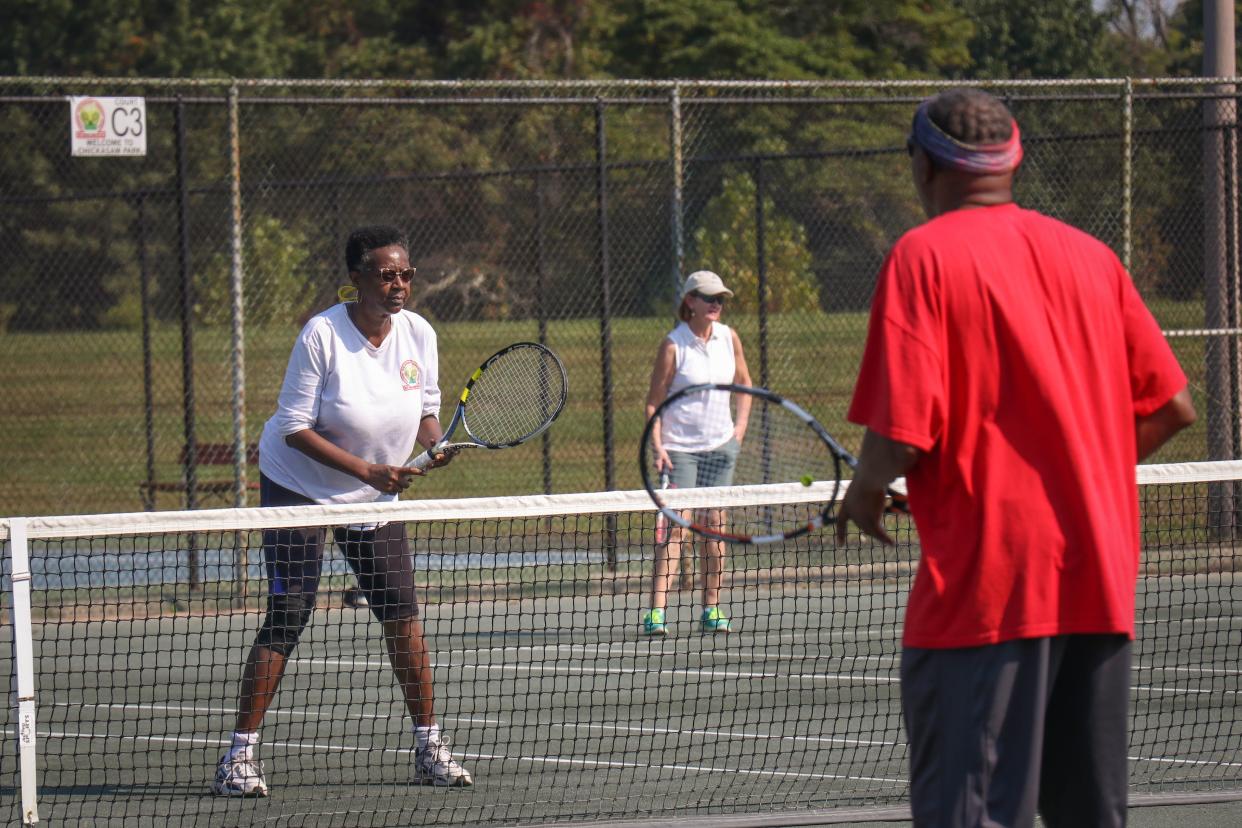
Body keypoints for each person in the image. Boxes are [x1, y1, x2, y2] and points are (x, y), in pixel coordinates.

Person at [834, 88, 1196, 827]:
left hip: (987, 595)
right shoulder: (1091, 257)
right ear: (1014, 159)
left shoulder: (922, 257)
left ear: (925, 165)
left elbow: (902, 433)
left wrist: (864, 491)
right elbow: (1171, 406)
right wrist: (1072, 474)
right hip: (1098, 579)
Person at [212, 225, 473, 797]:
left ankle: (429, 747)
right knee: (291, 610)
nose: (398, 285)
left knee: (403, 618)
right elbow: (293, 428)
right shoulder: (321, 335)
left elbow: (427, 412)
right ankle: (238, 758)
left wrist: (435, 444)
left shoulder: (419, 334)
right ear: (356, 280)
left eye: (405, 274)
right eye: (385, 274)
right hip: (297, 486)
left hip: (372, 497)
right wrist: (369, 471)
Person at [642, 270, 752, 636]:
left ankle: (711, 609)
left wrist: (738, 431)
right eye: (708, 298)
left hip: (721, 449)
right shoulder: (673, 345)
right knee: (677, 529)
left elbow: (745, 385)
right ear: (690, 301)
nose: (716, 304)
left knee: (715, 530)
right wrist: (658, 445)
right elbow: (653, 402)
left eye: (720, 298)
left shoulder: (729, 338)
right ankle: (656, 613)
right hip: (681, 452)